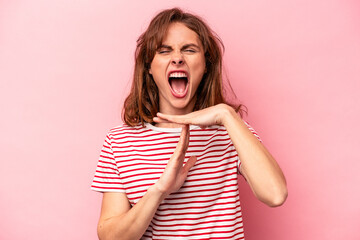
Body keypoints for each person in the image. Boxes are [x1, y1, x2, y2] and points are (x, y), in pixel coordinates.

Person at [91, 8, 287, 240]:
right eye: (164, 51)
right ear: (149, 68)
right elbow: (110, 237)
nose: (177, 58)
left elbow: (275, 195)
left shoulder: (232, 133)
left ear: (205, 66)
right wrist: (159, 191)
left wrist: (226, 114)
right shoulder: (119, 141)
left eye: (189, 49)